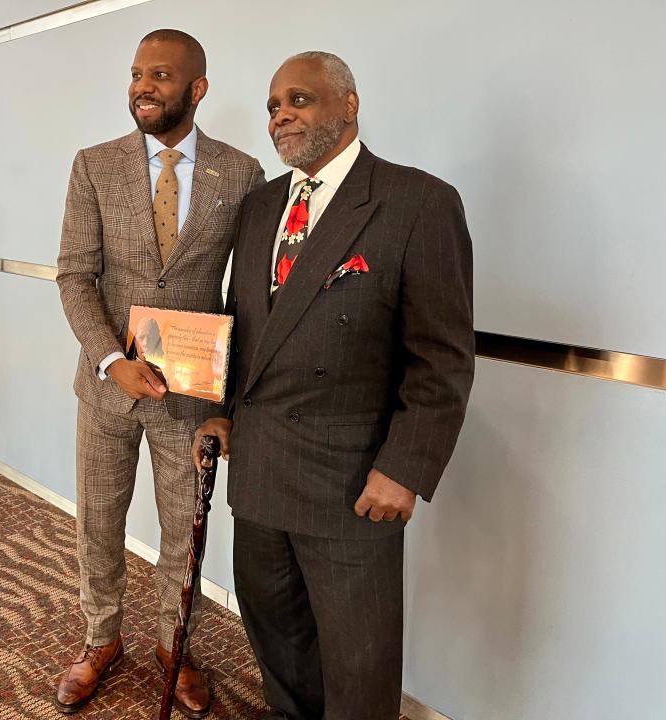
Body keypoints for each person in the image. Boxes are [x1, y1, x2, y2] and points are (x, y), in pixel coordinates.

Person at [193, 51, 475, 719]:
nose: (280, 115)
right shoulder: (261, 206)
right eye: (271, 106)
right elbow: (246, 322)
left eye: (300, 99)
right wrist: (222, 409)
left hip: (351, 483)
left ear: (348, 105)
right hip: (258, 473)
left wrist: (404, 468)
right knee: (278, 642)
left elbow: (441, 358)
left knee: (359, 660)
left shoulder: (418, 202)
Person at [55, 28, 265, 717]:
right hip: (108, 391)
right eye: (138, 73)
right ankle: (99, 639)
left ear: (197, 89)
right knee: (98, 522)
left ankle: (174, 647)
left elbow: (248, 296)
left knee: (185, 531)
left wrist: (227, 395)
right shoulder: (95, 165)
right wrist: (113, 362)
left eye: (162, 76)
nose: (144, 86)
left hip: (190, 397)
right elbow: (74, 277)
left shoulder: (241, 174)